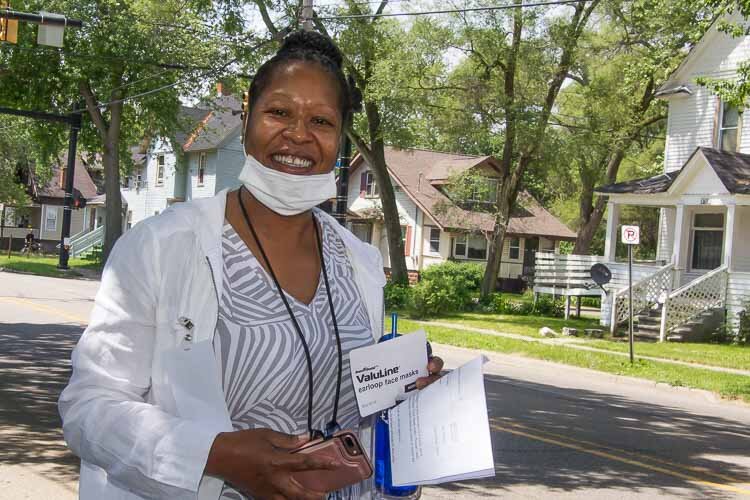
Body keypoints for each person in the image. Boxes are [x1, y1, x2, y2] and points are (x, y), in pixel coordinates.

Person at [59, 31, 443, 500]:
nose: (298, 134)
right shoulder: (161, 247)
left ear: (340, 138)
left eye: (321, 120)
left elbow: (357, 414)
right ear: (246, 121)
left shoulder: (358, 261)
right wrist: (215, 455)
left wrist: (403, 398)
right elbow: (90, 407)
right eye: (279, 112)